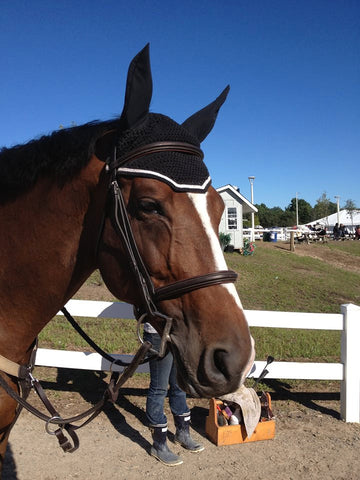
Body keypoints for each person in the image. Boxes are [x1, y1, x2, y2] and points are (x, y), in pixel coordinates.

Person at [144, 322, 204, 466]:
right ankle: (159, 445)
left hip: (179, 332)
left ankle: (182, 433)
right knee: (159, 388)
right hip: (157, 332)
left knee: (179, 383)